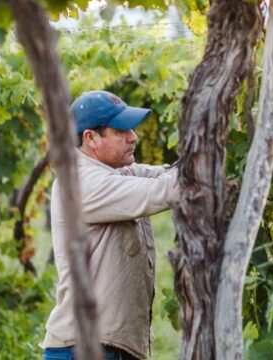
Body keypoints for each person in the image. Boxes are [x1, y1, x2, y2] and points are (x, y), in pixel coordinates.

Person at [42, 91, 179, 360]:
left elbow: (162, 174)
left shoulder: (114, 171)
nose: (133, 136)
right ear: (90, 138)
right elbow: (165, 191)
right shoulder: (81, 183)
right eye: (121, 130)